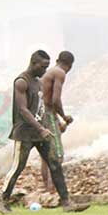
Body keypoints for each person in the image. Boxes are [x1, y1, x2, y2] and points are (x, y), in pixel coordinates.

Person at [0, 51, 89, 214]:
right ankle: (2, 201)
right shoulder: (21, 82)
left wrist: (55, 123)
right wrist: (40, 128)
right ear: (33, 63)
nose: (45, 71)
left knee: (54, 163)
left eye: (47, 67)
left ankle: (67, 203)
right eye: (43, 67)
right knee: (18, 167)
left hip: (41, 132)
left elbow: (42, 108)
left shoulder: (38, 83)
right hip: (24, 133)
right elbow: (23, 110)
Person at [39, 51, 75, 193]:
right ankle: (54, 190)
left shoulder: (49, 72)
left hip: (40, 114)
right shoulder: (60, 73)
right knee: (57, 154)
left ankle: (48, 190)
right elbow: (55, 100)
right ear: (70, 66)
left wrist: (59, 121)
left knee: (45, 155)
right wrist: (64, 116)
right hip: (48, 113)